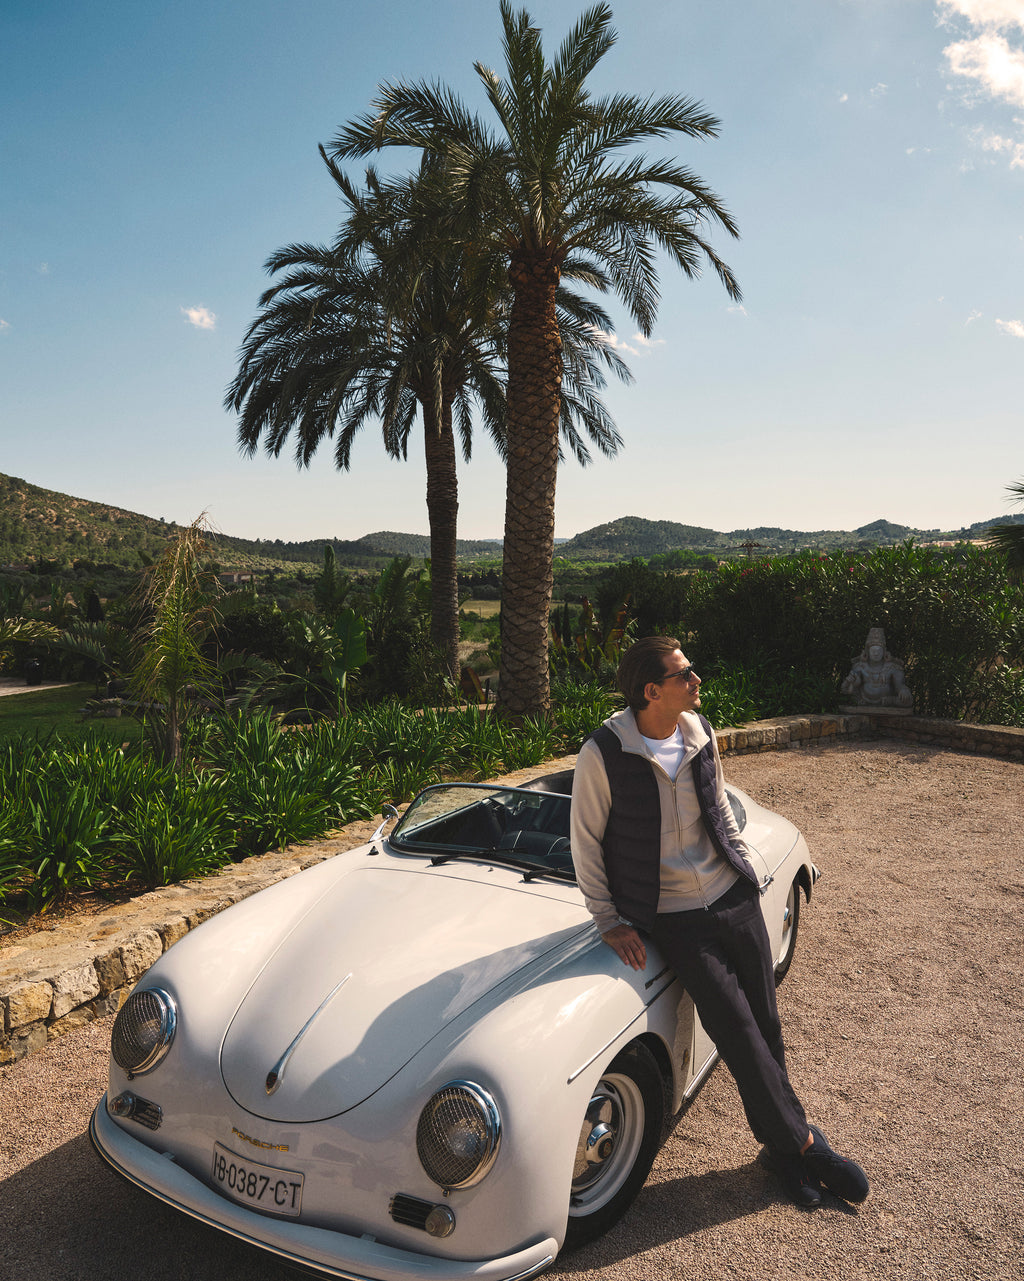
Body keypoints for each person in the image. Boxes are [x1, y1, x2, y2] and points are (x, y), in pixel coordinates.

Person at [570, 635, 869, 1209]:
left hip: (731, 898)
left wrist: (745, 870)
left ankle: (782, 1152)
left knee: (765, 1022)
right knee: (734, 1027)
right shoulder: (604, 753)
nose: (697, 680)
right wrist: (608, 919)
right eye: (685, 675)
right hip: (674, 917)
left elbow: (718, 813)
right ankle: (808, 1144)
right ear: (651, 690)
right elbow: (585, 842)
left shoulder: (698, 733)